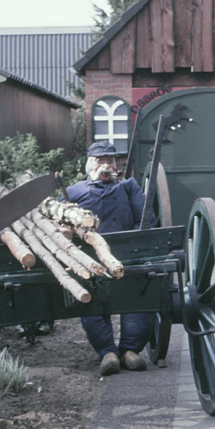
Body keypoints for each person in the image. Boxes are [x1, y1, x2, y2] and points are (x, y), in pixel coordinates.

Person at [64, 140, 154, 376]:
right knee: (91, 303)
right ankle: (107, 353)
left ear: (116, 164)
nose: (105, 165)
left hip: (128, 258)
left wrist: (132, 246)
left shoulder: (128, 187)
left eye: (110, 160)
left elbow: (145, 219)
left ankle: (130, 352)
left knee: (137, 298)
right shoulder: (73, 193)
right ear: (89, 164)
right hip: (90, 261)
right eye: (99, 160)